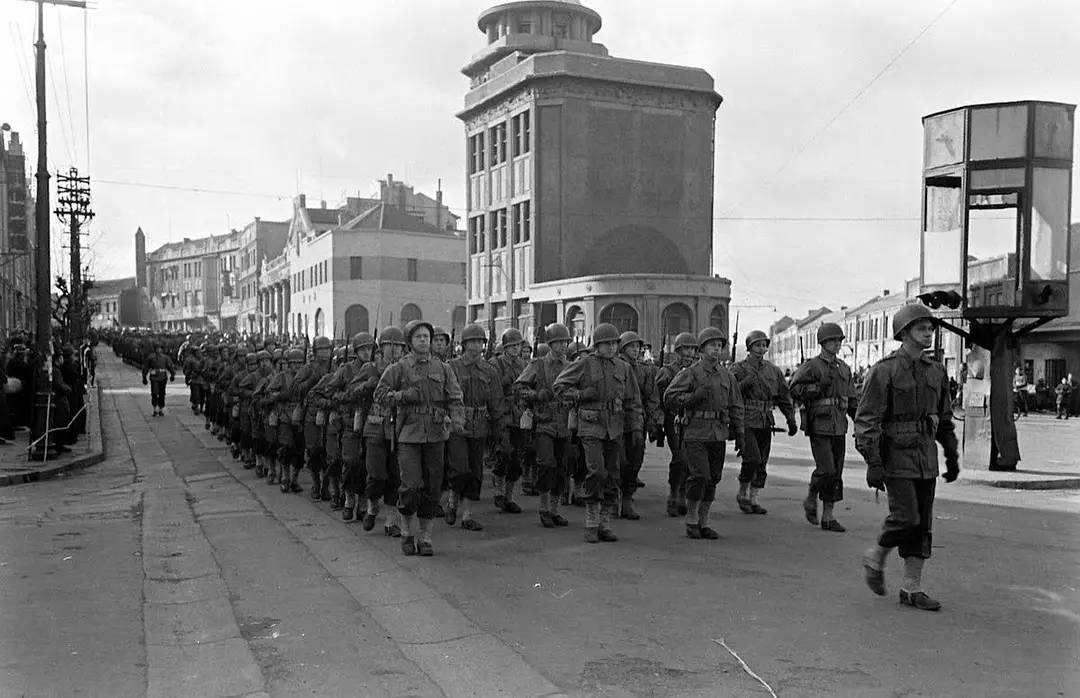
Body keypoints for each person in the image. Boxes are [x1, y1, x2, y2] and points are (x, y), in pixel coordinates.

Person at [855, 304, 959, 611]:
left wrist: (951, 454)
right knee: (906, 517)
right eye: (921, 329)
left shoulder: (936, 371)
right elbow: (867, 419)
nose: (928, 333)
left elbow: (944, 417)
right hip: (895, 455)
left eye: (930, 329)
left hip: (926, 457)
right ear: (904, 333)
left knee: (922, 524)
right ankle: (876, 554)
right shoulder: (884, 371)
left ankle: (912, 588)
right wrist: (873, 461)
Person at [374, 320, 464, 557]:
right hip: (409, 434)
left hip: (435, 434)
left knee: (433, 488)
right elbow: (380, 394)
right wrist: (403, 396)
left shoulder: (443, 368)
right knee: (410, 486)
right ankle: (406, 532)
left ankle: (425, 537)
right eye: (418, 337)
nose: (424, 340)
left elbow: (455, 397)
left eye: (427, 336)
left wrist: (457, 420)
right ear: (410, 342)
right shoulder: (399, 368)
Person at [553, 323, 643, 543]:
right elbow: (559, 387)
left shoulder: (624, 368)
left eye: (614, 343)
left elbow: (633, 401)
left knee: (613, 474)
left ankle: (605, 523)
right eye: (606, 344)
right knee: (596, 471)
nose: (611, 347)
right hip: (590, 425)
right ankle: (591, 522)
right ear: (597, 345)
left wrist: (636, 427)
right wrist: (582, 394)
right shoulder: (584, 363)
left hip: (615, 427)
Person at [662, 327, 744, 540]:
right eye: (712, 345)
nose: (716, 350)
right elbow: (669, 396)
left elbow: (736, 405)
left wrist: (740, 433)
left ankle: (704, 522)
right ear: (702, 349)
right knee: (699, 476)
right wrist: (691, 398)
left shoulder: (727, 376)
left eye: (719, 346)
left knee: (713, 478)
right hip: (695, 431)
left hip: (718, 433)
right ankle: (691, 519)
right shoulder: (691, 373)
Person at [789, 322, 858, 532]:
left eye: (839, 340)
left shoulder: (844, 368)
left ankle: (828, 517)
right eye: (833, 340)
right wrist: (816, 388)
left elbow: (852, 399)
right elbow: (794, 388)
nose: (837, 344)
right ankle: (811, 497)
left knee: (836, 473)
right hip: (820, 424)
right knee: (826, 469)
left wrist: (861, 424)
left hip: (839, 425)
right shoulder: (812, 366)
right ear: (823, 342)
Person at [730, 330, 797, 515]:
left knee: (762, 462)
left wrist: (790, 418)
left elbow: (784, 396)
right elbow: (730, 393)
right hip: (746, 419)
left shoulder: (773, 371)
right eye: (757, 345)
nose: (761, 349)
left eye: (764, 345)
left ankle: (753, 498)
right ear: (750, 348)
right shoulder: (738, 369)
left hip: (766, 420)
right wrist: (745, 383)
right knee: (752, 457)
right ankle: (742, 492)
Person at [447, 323, 506, 531]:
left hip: (480, 425)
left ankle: (467, 515)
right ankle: (452, 501)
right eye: (472, 341)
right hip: (457, 425)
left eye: (480, 341)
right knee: (459, 468)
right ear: (464, 344)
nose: (476, 345)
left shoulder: (490, 371)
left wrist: (500, 429)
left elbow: (497, 401)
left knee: (475, 471)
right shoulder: (452, 367)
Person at [515, 323, 572, 529]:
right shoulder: (537, 365)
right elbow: (519, 388)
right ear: (550, 344)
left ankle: (555, 511)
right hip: (544, 423)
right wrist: (536, 395)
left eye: (566, 342)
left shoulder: (570, 366)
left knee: (562, 469)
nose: (564, 346)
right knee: (546, 465)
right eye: (559, 342)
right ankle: (544, 508)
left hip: (565, 423)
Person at [362, 328, 406, 535]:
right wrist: (366, 386)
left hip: (398, 429)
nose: (395, 349)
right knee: (376, 474)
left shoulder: (406, 369)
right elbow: (353, 391)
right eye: (391, 345)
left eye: (399, 345)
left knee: (395, 477)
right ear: (382, 347)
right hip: (375, 428)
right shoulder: (370, 369)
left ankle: (391, 521)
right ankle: (372, 506)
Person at [615, 331, 660, 520]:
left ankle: (627, 499)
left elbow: (651, 398)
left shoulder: (644, 370)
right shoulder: (615, 367)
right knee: (617, 462)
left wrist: (653, 421)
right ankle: (615, 497)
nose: (635, 350)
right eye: (631, 346)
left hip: (637, 420)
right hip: (615, 420)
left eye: (637, 347)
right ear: (623, 348)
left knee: (635, 461)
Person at [655, 332, 698, 517]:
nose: (689, 353)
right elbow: (657, 398)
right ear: (678, 351)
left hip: (693, 420)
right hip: (673, 419)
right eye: (685, 349)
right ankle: (674, 493)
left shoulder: (697, 371)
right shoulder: (667, 371)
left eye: (692, 349)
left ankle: (682, 493)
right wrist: (657, 420)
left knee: (690, 459)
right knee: (680, 457)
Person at [490, 328, 529, 514]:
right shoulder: (496, 364)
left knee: (517, 458)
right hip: (503, 413)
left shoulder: (523, 364)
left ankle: (509, 496)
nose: (515, 349)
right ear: (505, 348)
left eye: (518, 345)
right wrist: (507, 380)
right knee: (503, 452)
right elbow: (493, 388)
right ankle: (498, 490)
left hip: (519, 413)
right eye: (511, 346)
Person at [141, 343, 176, 417]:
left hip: (163, 377)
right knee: (154, 393)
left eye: (160, 348)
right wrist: (144, 377)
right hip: (154, 377)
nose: (158, 350)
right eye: (157, 348)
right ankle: (155, 409)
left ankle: (161, 409)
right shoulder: (151, 357)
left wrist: (172, 374)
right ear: (155, 349)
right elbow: (146, 368)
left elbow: (170, 366)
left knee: (162, 393)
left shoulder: (166, 358)